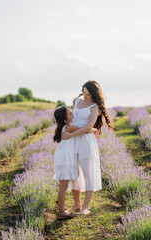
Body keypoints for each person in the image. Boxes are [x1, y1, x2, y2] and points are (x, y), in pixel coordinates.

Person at [62, 80, 113, 215]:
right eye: (84, 93)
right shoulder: (77, 101)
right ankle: (77, 204)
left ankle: (85, 207)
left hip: (85, 141)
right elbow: (72, 119)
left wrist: (72, 133)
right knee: (73, 173)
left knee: (87, 172)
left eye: (89, 94)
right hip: (73, 140)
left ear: (95, 95)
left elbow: (88, 126)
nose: (85, 97)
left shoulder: (95, 107)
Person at [53, 106, 98, 219]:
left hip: (63, 158)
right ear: (65, 120)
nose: (73, 114)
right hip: (65, 159)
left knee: (66, 183)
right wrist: (95, 129)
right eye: (70, 114)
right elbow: (85, 130)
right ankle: (62, 212)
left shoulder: (63, 128)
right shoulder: (68, 128)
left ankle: (74, 206)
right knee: (63, 186)